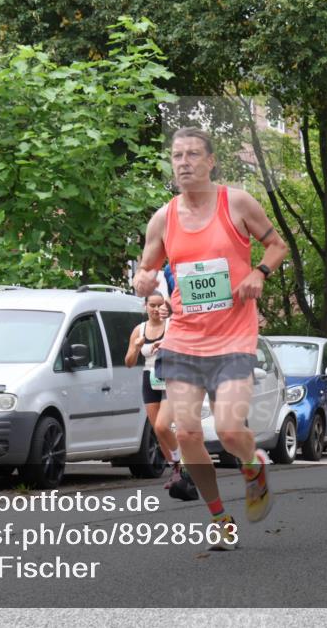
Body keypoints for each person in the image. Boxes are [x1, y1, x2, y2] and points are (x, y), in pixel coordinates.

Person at [132, 127, 287, 550]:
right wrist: (142, 279)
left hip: (234, 336)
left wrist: (259, 272)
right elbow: (147, 269)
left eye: (193, 154)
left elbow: (277, 245)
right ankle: (220, 518)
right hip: (185, 339)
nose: (184, 162)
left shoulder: (236, 203)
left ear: (211, 161)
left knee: (229, 429)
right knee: (185, 434)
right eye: (177, 155)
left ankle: (253, 463)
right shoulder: (163, 218)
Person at [124, 291, 181, 489]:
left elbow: (185, 348)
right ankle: (176, 469)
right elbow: (129, 362)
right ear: (145, 306)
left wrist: (166, 345)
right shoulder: (139, 330)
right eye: (152, 305)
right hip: (150, 378)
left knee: (163, 427)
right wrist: (136, 347)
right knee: (158, 430)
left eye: (160, 305)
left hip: (170, 376)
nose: (156, 309)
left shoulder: (172, 325)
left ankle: (183, 464)